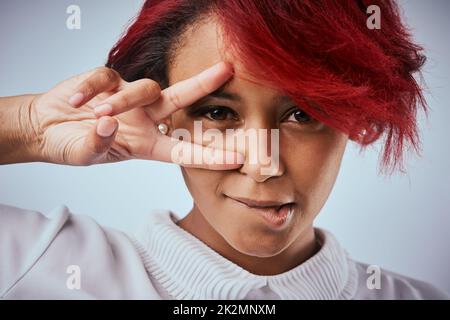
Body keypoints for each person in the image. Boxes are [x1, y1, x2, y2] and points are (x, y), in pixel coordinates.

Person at [0, 0, 448, 299]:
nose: (262, 165)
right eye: (217, 114)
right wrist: (29, 126)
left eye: (303, 114)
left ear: (355, 116)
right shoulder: (38, 265)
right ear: (163, 115)